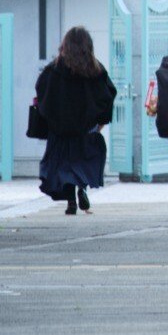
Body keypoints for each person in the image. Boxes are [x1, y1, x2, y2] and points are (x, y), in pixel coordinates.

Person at [35, 27, 117, 215]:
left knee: (64, 166)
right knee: (82, 163)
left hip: (60, 131)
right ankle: (82, 188)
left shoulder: (54, 69)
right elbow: (108, 94)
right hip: (86, 130)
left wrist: (51, 119)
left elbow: (41, 91)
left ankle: (71, 201)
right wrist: (100, 122)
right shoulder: (95, 69)